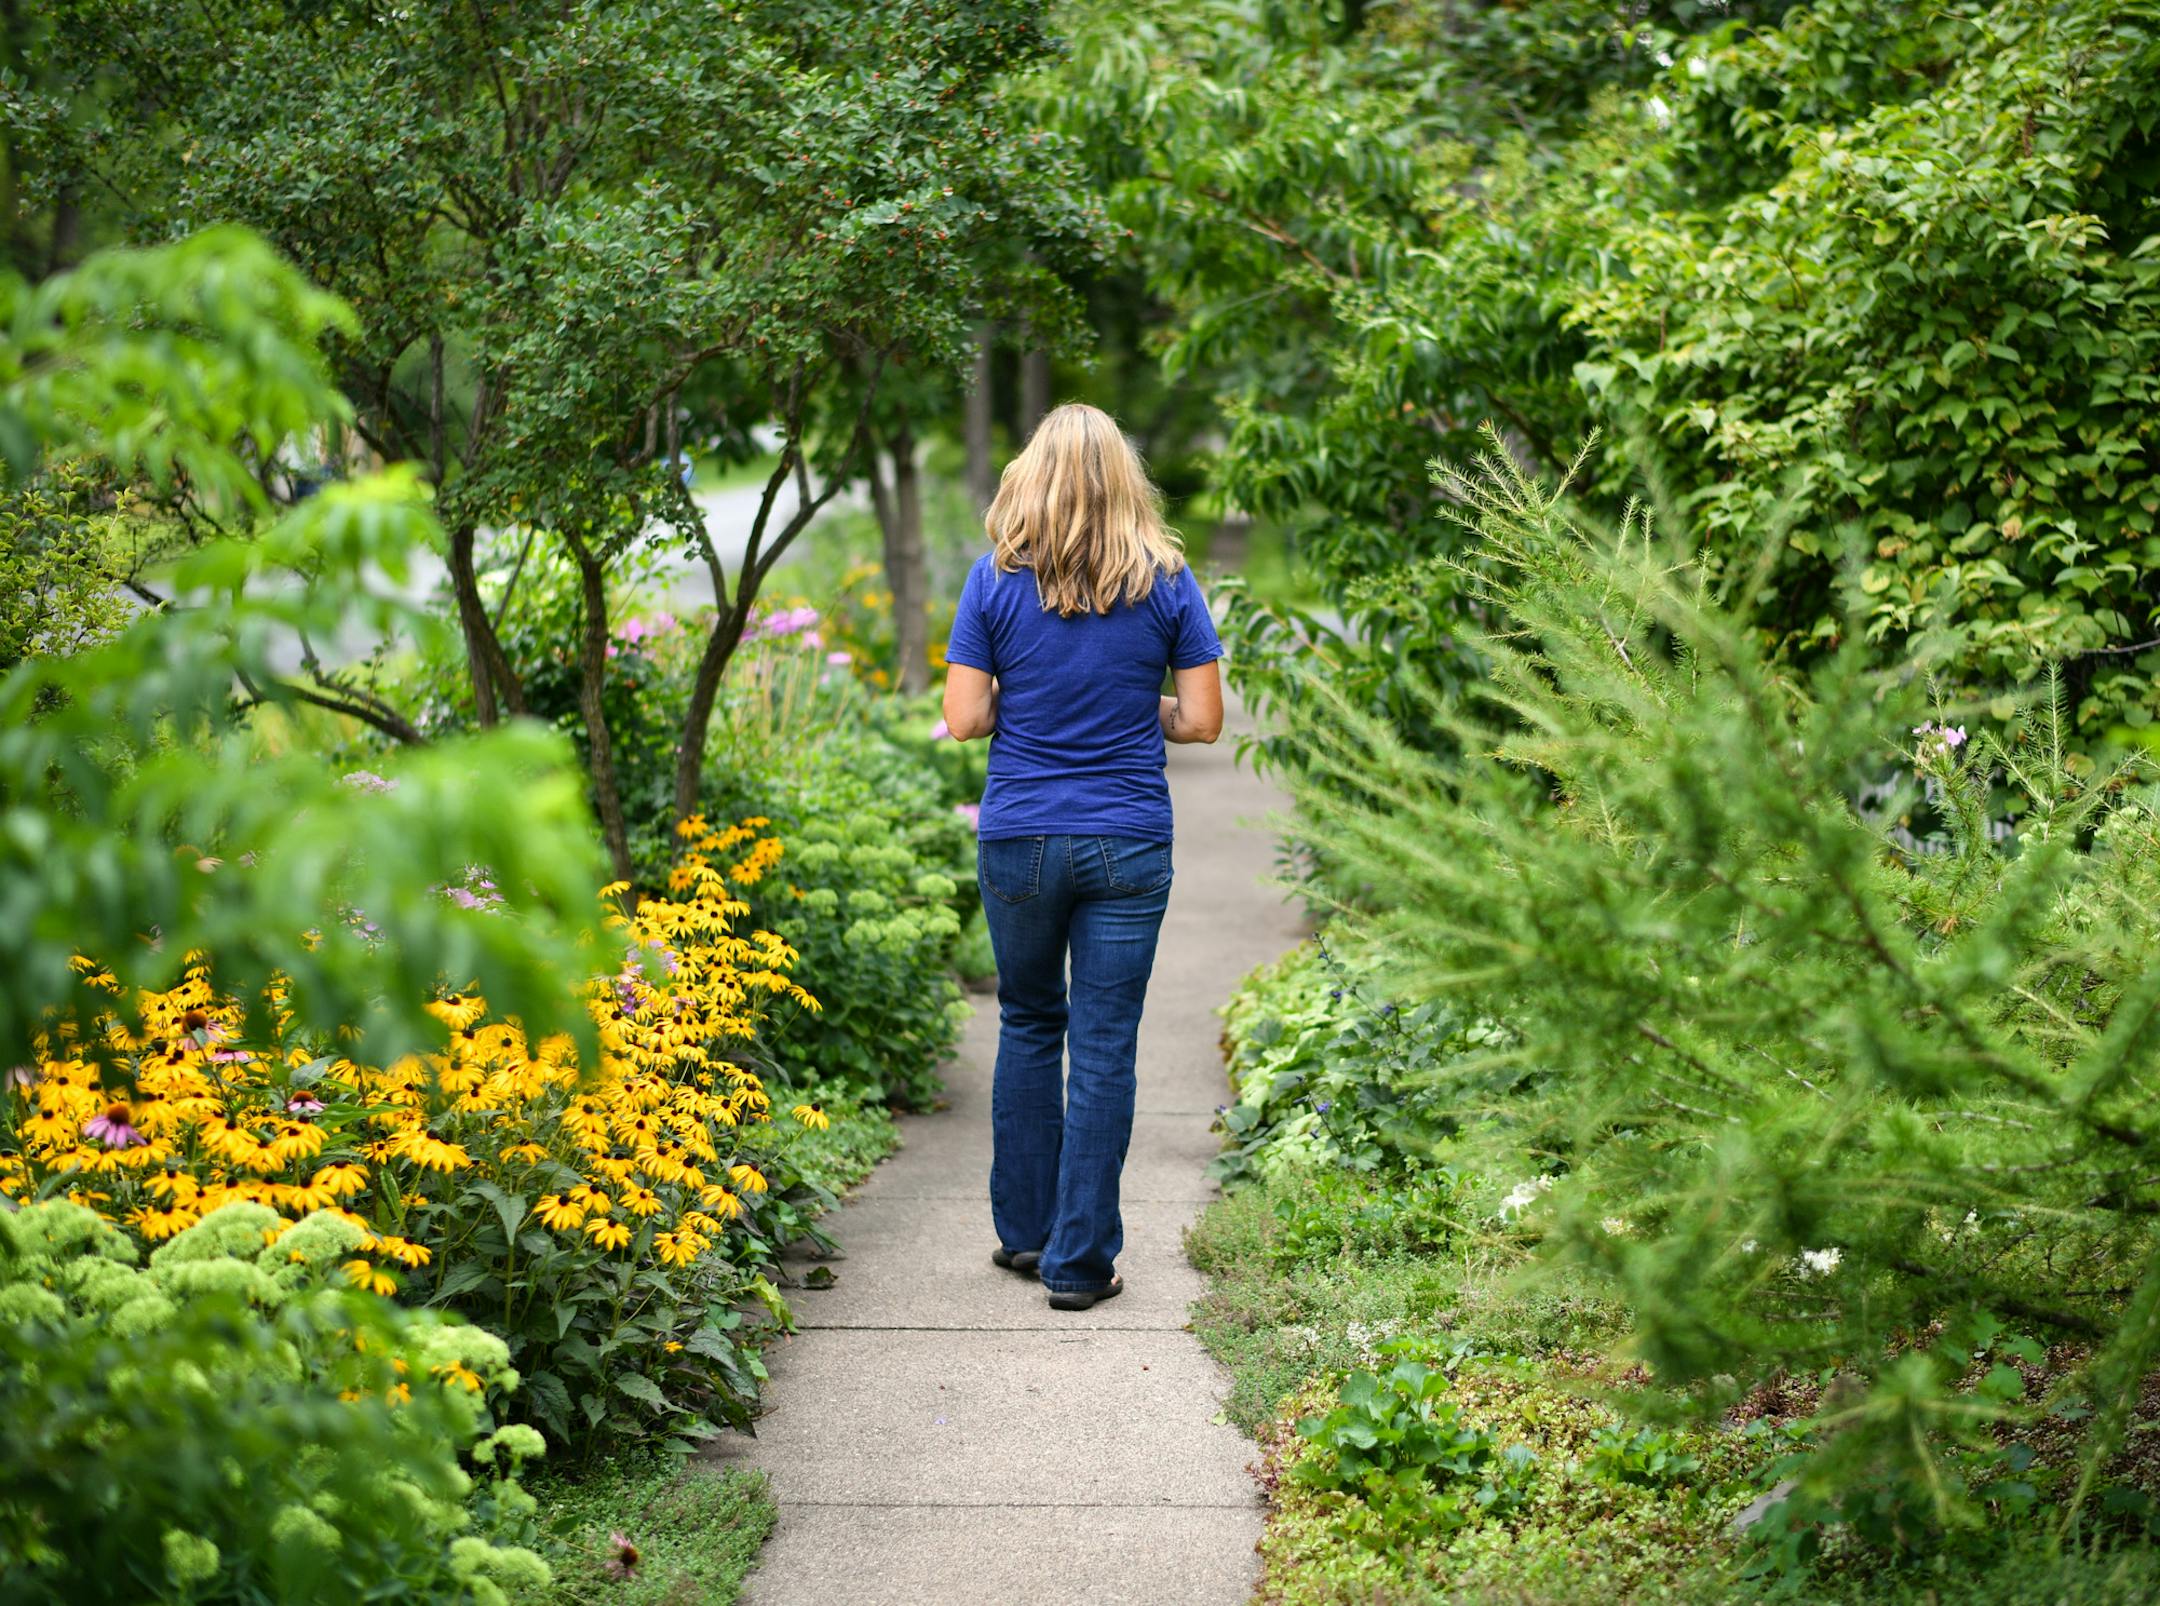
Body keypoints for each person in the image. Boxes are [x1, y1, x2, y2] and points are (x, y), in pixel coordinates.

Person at [941, 402, 1224, 1311]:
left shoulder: (992, 582)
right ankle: (1079, 1265)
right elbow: (1204, 720)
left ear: (1030, 475)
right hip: (1130, 838)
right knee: (1104, 1046)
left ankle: (1025, 1237)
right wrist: (1137, 709)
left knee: (1029, 1021)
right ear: (1124, 481)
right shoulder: (1170, 583)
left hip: (1021, 834)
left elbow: (964, 719)